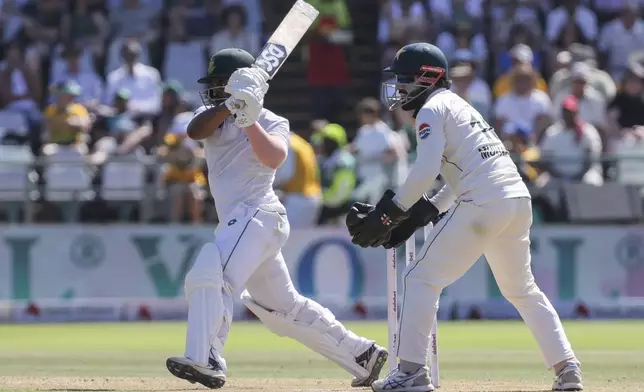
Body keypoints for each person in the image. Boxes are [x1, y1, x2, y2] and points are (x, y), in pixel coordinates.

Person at [345, 43, 583, 392]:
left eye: (404, 82)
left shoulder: (430, 110)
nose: (398, 90)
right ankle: (568, 369)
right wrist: (421, 213)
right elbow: (461, 174)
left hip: (484, 202)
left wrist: (388, 213)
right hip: (516, 200)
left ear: (426, 78)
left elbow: (426, 169)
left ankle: (411, 372)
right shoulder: (459, 106)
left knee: (421, 278)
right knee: (522, 289)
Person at [165, 48, 387, 389]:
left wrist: (249, 118)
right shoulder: (212, 116)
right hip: (241, 224)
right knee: (283, 311)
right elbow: (195, 132)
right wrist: (230, 105)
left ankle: (206, 357)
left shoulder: (271, 120)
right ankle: (363, 355)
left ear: (237, 82)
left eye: (219, 84)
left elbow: (274, 158)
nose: (211, 90)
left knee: (210, 272)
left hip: (258, 214)